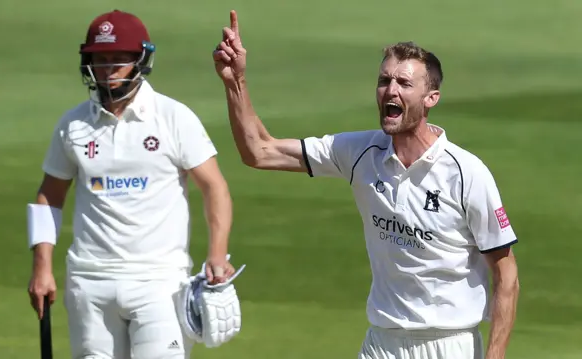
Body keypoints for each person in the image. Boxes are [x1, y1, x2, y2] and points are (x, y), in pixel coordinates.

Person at [212, 10, 520, 359]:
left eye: (404, 84)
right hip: (382, 343)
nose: (390, 90)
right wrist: (235, 81)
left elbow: (506, 275)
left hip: (449, 345)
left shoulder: (466, 173)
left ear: (431, 97)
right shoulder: (360, 152)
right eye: (384, 80)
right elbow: (260, 152)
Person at [26, 9, 236, 359]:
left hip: (160, 281)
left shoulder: (173, 117)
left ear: (141, 60)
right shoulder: (73, 124)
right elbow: (50, 195)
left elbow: (215, 187)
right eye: (100, 60)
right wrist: (41, 267)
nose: (107, 70)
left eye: (117, 60)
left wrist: (216, 254)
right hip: (89, 280)